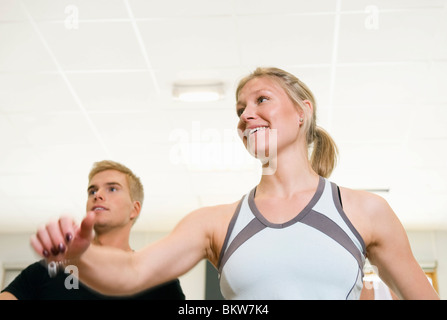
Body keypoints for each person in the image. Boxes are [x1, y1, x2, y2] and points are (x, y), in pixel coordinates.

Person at [30, 67, 439, 300]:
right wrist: (79, 257)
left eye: (261, 100)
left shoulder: (364, 211)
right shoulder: (214, 224)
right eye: (240, 109)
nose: (246, 115)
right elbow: (133, 273)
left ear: (303, 112)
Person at [1, 160, 185, 300]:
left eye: (112, 189)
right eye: (92, 191)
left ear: (134, 209)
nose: (98, 195)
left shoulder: (158, 279)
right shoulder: (50, 269)